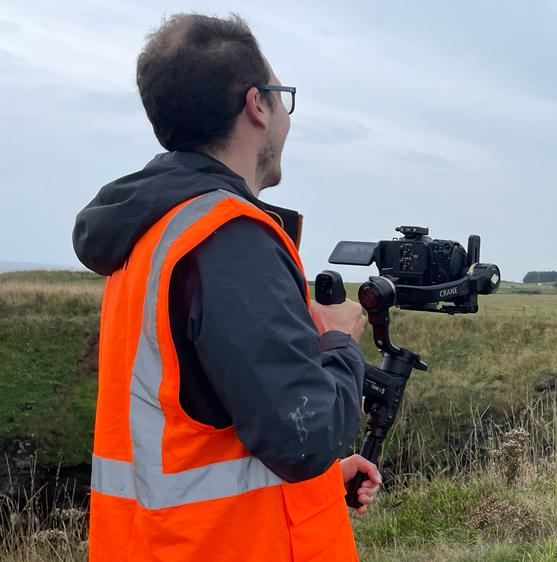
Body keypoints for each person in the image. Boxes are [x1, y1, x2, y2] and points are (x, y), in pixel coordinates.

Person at [73, 14, 379, 562]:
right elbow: (301, 436)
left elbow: (197, 429)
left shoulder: (152, 231)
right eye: (282, 97)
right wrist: (340, 342)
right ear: (256, 105)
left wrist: (320, 481)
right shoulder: (227, 237)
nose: (285, 116)